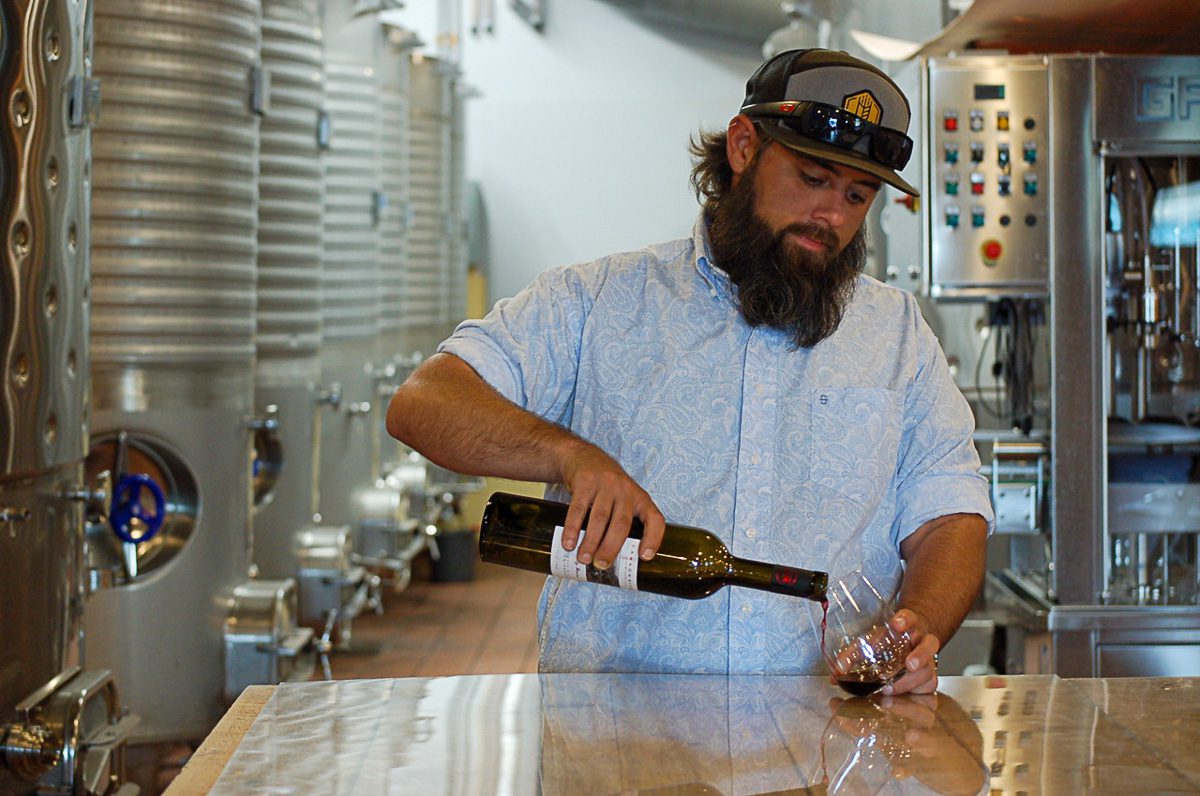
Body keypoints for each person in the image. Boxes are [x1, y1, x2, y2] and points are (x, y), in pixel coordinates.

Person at [387, 48, 993, 694]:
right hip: (617, 753)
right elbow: (424, 403)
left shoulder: (898, 338)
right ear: (743, 147)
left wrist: (918, 624)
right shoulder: (600, 304)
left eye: (857, 195)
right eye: (813, 179)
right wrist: (569, 456)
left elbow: (949, 515)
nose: (834, 218)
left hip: (830, 754)